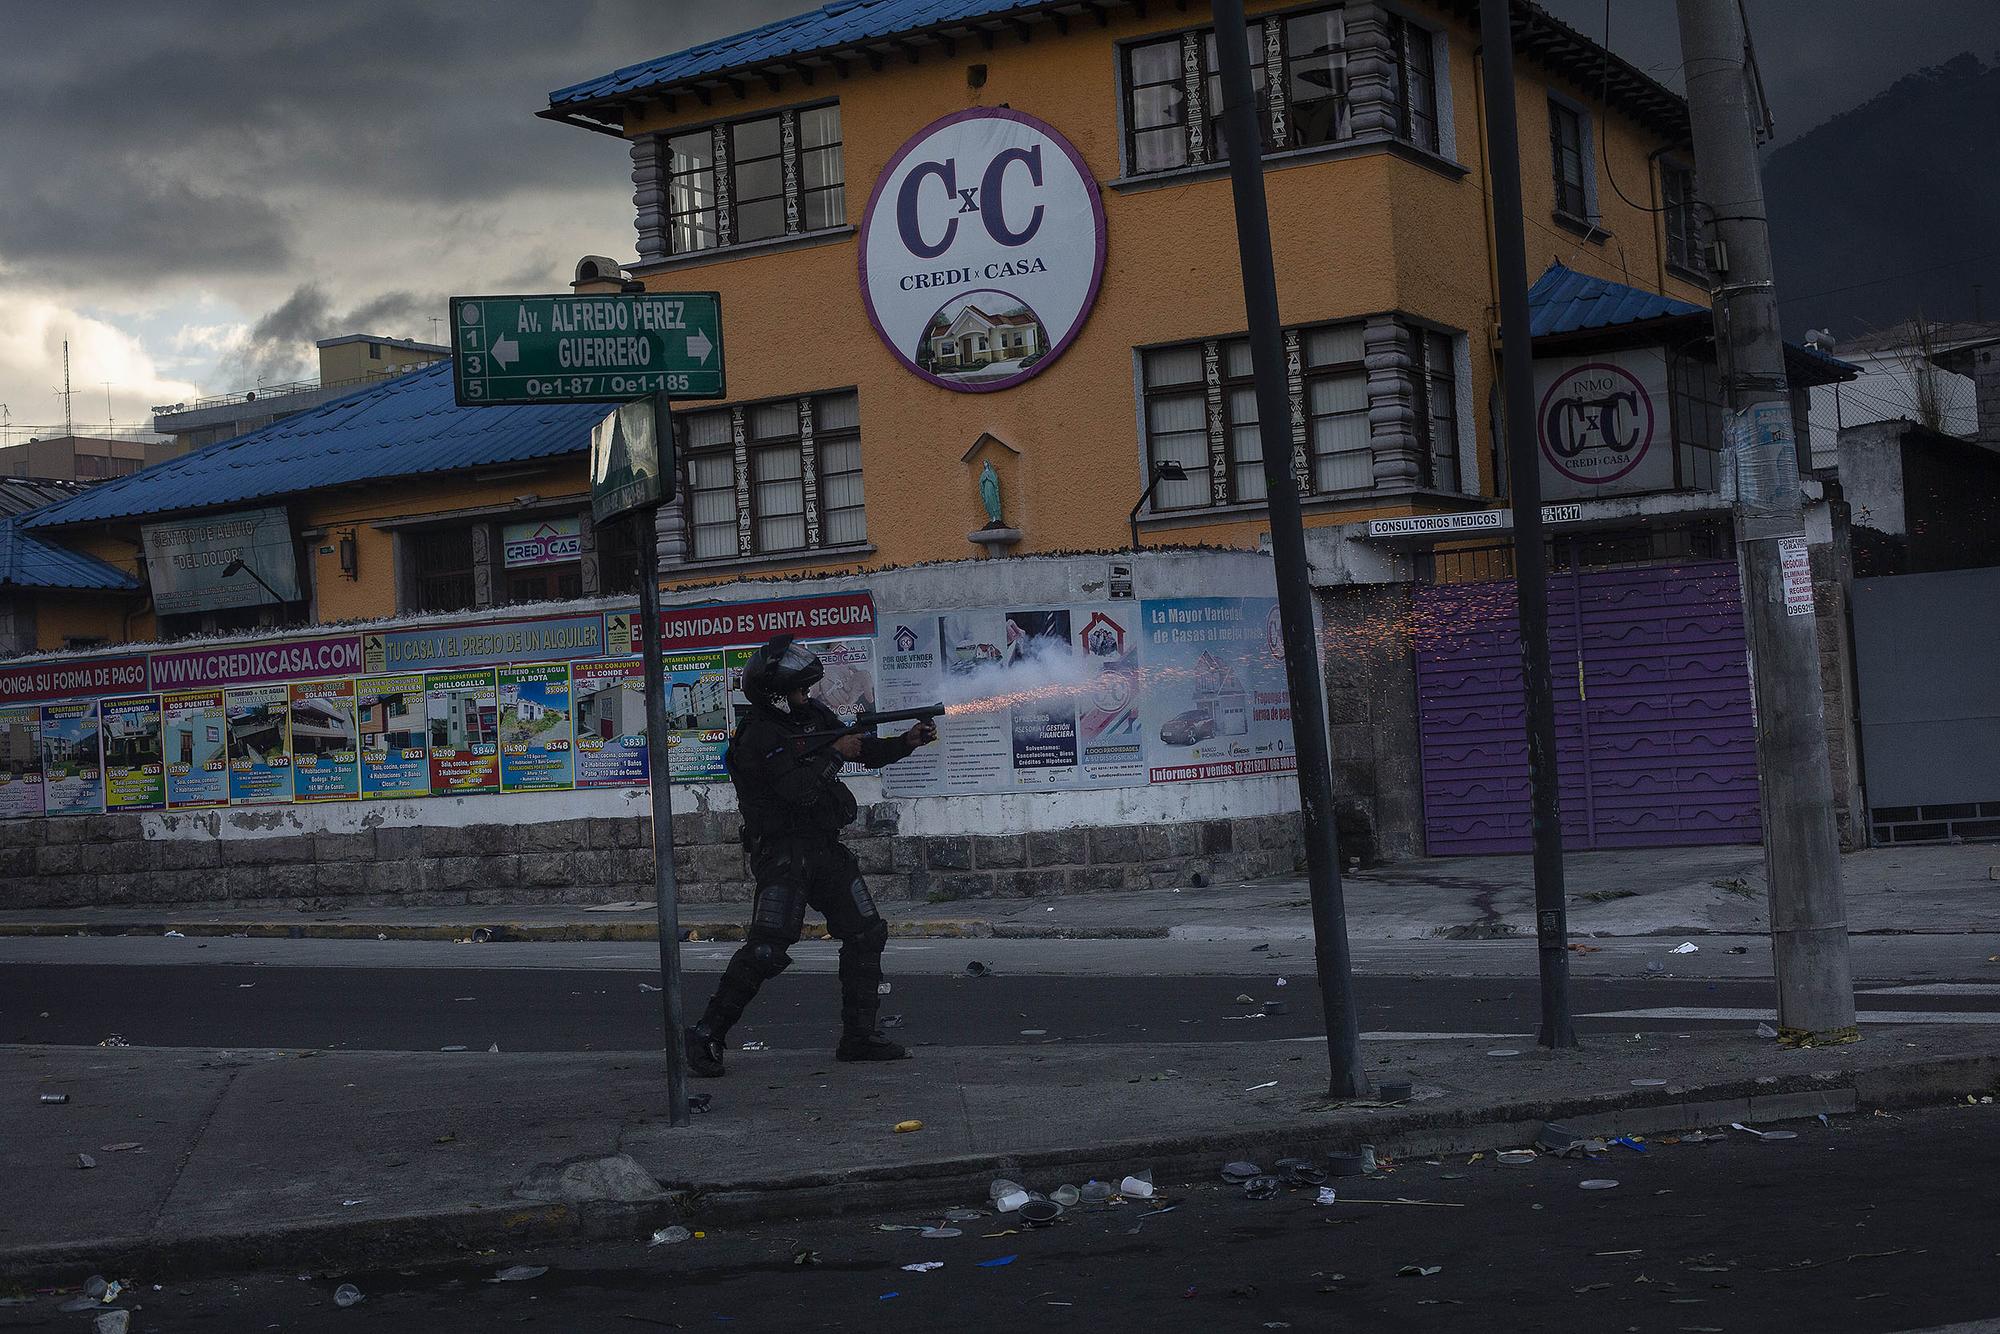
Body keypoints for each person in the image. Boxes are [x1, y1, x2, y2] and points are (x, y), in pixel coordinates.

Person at [685, 635, 937, 1077]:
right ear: (776, 695)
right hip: (782, 853)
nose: (808, 697)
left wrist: (906, 742)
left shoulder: (811, 717)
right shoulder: (757, 737)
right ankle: (708, 1033)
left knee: (866, 933)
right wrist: (836, 756)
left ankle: (858, 1037)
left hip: (823, 848)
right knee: (767, 950)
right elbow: (796, 790)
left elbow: (859, 748)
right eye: (800, 690)